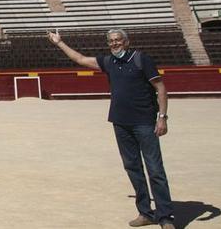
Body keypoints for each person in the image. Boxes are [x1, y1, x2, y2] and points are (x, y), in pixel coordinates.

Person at [47, 28, 175, 229]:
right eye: (111, 41)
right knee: (133, 168)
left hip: (144, 122)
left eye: (118, 40)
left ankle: (166, 217)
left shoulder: (141, 59)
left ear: (126, 42)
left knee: (155, 169)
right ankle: (145, 212)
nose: (114, 43)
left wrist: (162, 118)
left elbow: (161, 88)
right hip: (120, 122)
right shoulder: (109, 62)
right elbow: (81, 59)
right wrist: (59, 43)